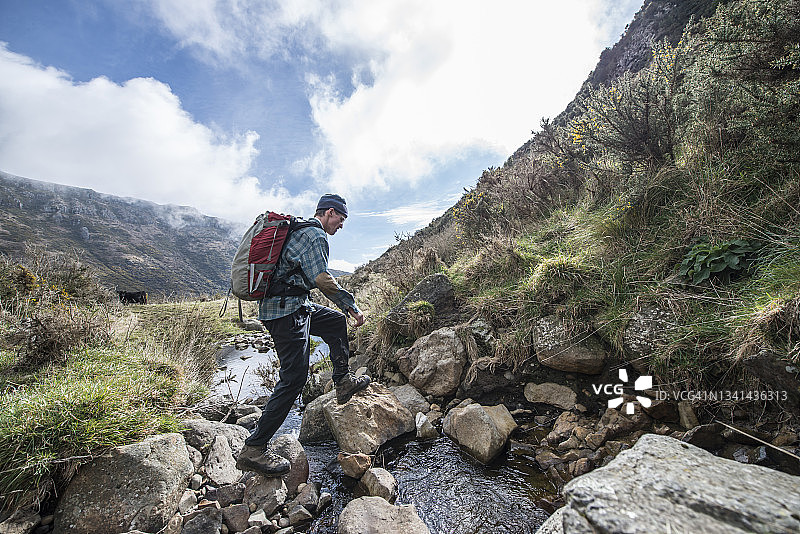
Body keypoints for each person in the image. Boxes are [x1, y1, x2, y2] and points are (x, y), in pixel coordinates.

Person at [236, 193, 371, 476]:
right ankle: (255, 447)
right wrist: (352, 307)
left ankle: (343, 381)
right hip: (286, 313)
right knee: (294, 377)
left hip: (297, 306)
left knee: (333, 322)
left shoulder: (300, 230)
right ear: (330, 213)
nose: (341, 226)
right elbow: (322, 279)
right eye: (341, 219)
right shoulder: (316, 235)